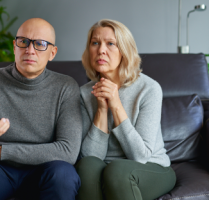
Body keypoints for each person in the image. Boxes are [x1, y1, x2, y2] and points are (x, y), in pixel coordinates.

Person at [0, 18, 82, 200]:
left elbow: (67, 151)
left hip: (43, 171)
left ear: (52, 52)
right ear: (14, 46)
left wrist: (2, 151)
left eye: (40, 44)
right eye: (23, 42)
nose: (30, 50)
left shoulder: (66, 87)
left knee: (64, 174)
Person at [75, 19, 176, 200]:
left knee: (117, 170)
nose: (101, 50)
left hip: (151, 168)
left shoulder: (149, 89)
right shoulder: (84, 93)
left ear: (124, 51)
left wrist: (116, 104)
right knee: (86, 166)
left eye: (111, 43)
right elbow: (91, 158)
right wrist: (102, 109)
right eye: (95, 43)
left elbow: (140, 156)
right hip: (106, 169)